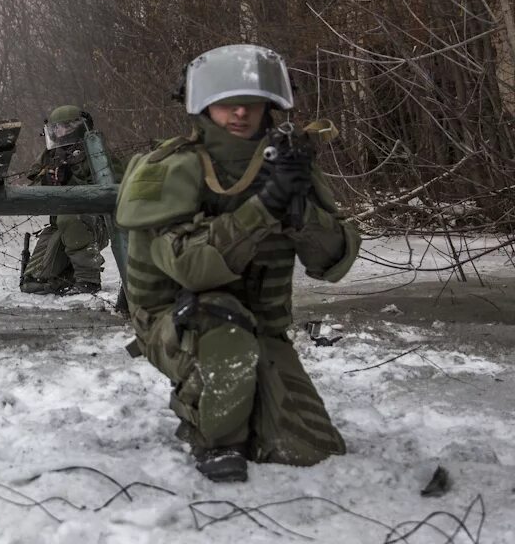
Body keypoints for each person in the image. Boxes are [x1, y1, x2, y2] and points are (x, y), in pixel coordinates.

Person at [115, 44, 361, 482]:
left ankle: (232, 402)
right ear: (204, 106)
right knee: (224, 331)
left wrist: (300, 212)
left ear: (270, 106)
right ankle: (214, 438)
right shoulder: (170, 167)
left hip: (260, 326)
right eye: (227, 104)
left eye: (251, 104)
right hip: (177, 321)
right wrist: (264, 207)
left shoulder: (287, 163)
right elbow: (192, 269)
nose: (240, 114)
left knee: (307, 448)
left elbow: (333, 263)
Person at [21, 105, 120, 295]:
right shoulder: (49, 156)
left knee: (69, 219)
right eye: (55, 128)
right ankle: (67, 278)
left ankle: (88, 280)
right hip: (61, 225)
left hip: (95, 224)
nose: (59, 132)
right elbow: (31, 192)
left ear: (77, 127)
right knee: (34, 283)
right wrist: (47, 181)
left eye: (64, 127)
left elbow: (113, 189)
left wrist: (72, 178)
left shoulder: (96, 152)